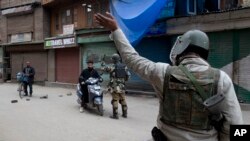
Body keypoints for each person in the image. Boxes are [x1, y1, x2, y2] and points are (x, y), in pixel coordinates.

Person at [94, 12, 243, 141]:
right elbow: (235, 125)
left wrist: (116, 30)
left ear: (180, 49)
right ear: (205, 53)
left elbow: (131, 59)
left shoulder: (163, 72)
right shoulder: (222, 79)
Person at [102, 53, 130, 119]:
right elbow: (128, 75)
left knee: (115, 100)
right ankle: (125, 114)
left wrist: (103, 66)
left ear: (114, 60)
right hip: (122, 86)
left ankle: (115, 115)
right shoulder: (124, 66)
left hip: (115, 86)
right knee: (123, 99)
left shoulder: (113, 66)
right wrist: (123, 81)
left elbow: (105, 69)